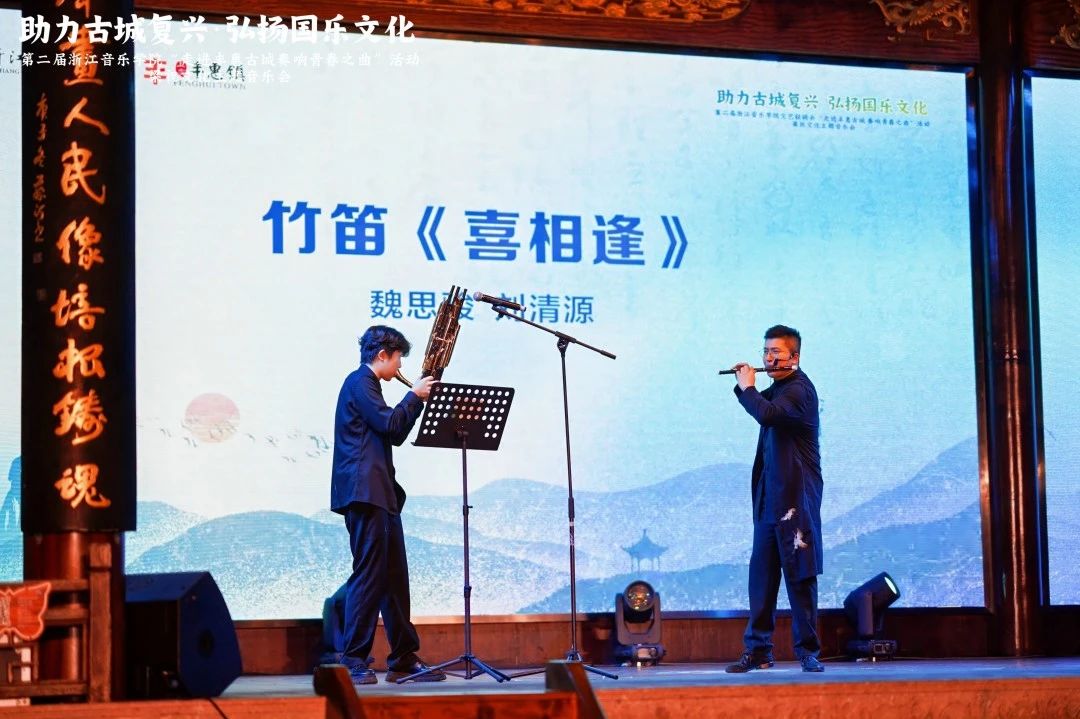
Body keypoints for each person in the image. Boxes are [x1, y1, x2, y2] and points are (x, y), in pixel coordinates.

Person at [330, 325, 445, 685]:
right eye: (397, 359)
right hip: (364, 493)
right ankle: (353, 659)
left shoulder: (369, 385)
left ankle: (403, 658)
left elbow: (393, 433)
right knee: (369, 575)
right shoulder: (360, 382)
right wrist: (414, 397)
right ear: (382, 355)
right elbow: (390, 424)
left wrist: (415, 401)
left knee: (394, 578)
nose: (399, 367)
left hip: (380, 493)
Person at [725, 325, 825, 673]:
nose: (769, 359)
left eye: (776, 353)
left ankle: (808, 651)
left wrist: (747, 387)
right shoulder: (781, 388)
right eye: (765, 352)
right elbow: (760, 403)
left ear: (795, 356)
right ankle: (758, 650)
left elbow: (766, 412)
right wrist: (744, 386)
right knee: (762, 577)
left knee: (800, 575)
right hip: (771, 500)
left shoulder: (799, 390)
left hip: (796, 500)